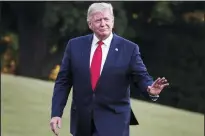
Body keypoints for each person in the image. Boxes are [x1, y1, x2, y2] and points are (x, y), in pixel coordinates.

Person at [50, 2, 169, 136]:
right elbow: (63, 82)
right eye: (98, 20)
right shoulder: (75, 46)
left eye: (106, 19)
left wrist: (150, 89)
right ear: (90, 24)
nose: (103, 24)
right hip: (82, 122)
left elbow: (141, 77)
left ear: (112, 21)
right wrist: (56, 113)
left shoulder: (129, 49)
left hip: (114, 122)